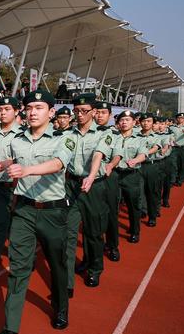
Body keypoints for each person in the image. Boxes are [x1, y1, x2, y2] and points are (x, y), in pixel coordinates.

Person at [0, 90, 75, 334]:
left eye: (39, 107)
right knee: (19, 268)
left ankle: (61, 307)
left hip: (53, 212)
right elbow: (19, 158)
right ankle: (10, 330)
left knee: (57, 264)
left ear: (50, 112)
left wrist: (26, 170)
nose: (33, 112)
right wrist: (6, 163)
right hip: (23, 210)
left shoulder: (64, 139)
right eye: (29, 107)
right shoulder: (18, 140)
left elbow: (58, 164)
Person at [63, 93, 112, 291]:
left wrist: (91, 176)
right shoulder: (69, 134)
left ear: (93, 112)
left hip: (94, 186)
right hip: (72, 186)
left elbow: (98, 155)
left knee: (93, 232)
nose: (80, 115)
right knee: (69, 231)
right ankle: (67, 281)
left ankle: (94, 268)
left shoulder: (104, 133)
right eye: (76, 111)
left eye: (84, 111)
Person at [0, 96, 22, 287]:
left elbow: (27, 160)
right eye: (0, 109)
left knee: (17, 233)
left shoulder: (23, 135)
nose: (2, 113)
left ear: (16, 111)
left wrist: (9, 162)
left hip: (18, 189)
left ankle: (21, 268)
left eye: (7, 109)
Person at [114, 110, 150, 244]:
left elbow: (143, 154)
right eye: (122, 120)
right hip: (115, 175)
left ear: (134, 122)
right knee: (113, 205)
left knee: (133, 206)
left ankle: (135, 231)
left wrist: (135, 160)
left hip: (131, 176)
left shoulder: (140, 139)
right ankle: (112, 233)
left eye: (127, 120)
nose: (124, 122)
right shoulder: (113, 136)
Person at [93, 101, 123, 262]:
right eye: (97, 112)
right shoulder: (87, 131)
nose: (99, 115)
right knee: (90, 218)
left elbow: (118, 154)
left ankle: (112, 246)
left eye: (103, 113)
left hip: (107, 176)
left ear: (110, 115)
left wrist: (111, 165)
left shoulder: (115, 134)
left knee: (111, 212)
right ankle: (89, 256)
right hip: (89, 178)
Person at [137, 113, 162, 227]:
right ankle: (142, 211)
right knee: (139, 192)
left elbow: (155, 148)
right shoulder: (135, 135)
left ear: (152, 123)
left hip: (151, 166)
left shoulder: (157, 136)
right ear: (140, 122)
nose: (146, 123)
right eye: (144, 121)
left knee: (151, 192)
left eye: (149, 121)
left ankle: (152, 216)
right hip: (138, 166)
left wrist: (143, 154)